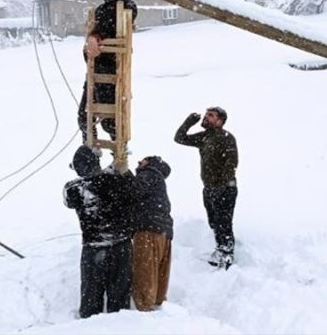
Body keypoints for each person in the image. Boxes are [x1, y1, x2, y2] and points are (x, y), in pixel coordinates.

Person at [63, 145, 135, 318]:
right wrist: (120, 165)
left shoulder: (73, 189)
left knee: (91, 296)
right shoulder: (114, 181)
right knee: (119, 298)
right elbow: (133, 192)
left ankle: (89, 327)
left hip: (93, 247)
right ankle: (120, 328)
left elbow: (68, 199)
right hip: (121, 245)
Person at [174, 107, 238, 269]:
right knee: (214, 222)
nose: (206, 117)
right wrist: (188, 122)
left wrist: (222, 186)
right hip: (209, 188)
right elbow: (179, 138)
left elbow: (231, 164)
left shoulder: (226, 138)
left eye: (210, 115)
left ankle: (227, 253)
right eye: (206, 114)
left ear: (220, 121)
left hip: (225, 189)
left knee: (224, 221)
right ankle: (220, 248)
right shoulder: (205, 137)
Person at [78, 0, 138, 146]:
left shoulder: (124, 7)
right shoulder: (105, 7)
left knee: (110, 120)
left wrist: (97, 38)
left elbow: (108, 29)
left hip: (110, 69)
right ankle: (91, 153)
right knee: (84, 116)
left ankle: (119, 153)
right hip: (95, 68)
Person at [131, 155, 173, 311]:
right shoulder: (159, 181)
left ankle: (143, 313)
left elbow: (132, 189)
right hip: (164, 231)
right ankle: (157, 307)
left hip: (148, 229)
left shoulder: (149, 173)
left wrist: (122, 173)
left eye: (143, 160)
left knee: (144, 273)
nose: (138, 162)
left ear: (151, 163)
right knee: (159, 274)